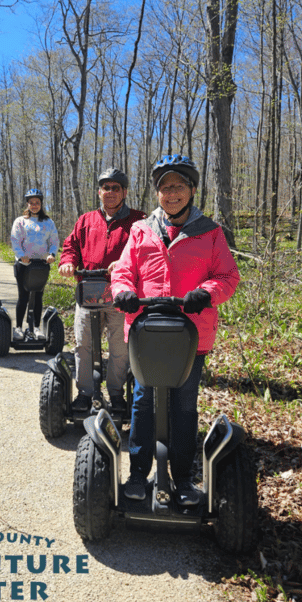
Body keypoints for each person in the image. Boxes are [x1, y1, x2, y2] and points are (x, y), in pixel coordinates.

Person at [110, 154, 240, 505]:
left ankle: (182, 478)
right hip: (146, 333)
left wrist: (206, 293)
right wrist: (123, 291)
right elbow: (123, 271)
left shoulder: (210, 232)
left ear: (192, 190)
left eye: (178, 187)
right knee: (142, 402)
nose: (171, 194)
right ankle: (139, 474)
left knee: (184, 406)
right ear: (157, 194)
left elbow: (228, 276)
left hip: (189, 335)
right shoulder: (140, 231)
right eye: (165, 188)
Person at [58, 168, 146, 413]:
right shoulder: (86, 220)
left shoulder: (139, 220)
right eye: (105, 188)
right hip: (88, 291)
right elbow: (71, 245)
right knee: (83, 344)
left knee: (119, 347)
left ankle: (116, 394)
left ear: (124, 192)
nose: (110, 192)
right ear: (99, 192)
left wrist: (126, 262)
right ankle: (85, 394)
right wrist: (67, 262)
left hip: (121, 294)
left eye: (115, 188)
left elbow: (147, 249)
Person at [10, 189, 59, 340]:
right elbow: (15, 240)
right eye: (31, 203)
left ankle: (36, 327)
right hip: (24, 265)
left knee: (38, 296)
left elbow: (54, 241)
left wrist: (52, 254)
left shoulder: (48, 222)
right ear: (28, 204)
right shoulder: (20, 221)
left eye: (37, 203)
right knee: (23, 296)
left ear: (41, 204)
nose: (34, 205)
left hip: (41, 265)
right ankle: (18, 328)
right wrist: (21, 255)